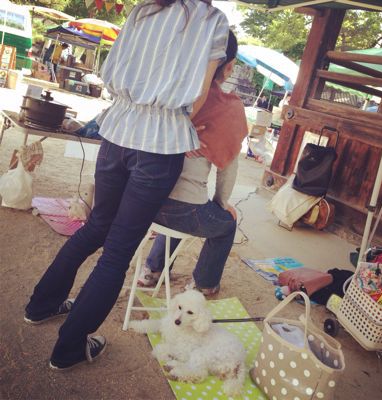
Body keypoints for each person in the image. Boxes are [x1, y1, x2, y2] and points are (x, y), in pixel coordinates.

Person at [24, 0, 229, 370]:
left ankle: (40, 306)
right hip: (160, 144)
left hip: (117, 132)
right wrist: (172, 120)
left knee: (96, 228)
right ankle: (69, 348)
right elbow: (199, 95)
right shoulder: (213, 20)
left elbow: (111, 69)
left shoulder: (143, 10)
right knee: (118, 252)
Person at [138, 30, 248, 295]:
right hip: (183, 210)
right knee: (223, 223)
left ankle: (152, 270)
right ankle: (205, 285)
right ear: (229, 67)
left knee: (180, 206)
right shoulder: (228, 107)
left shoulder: (169, 90)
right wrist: (222, 204)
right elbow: (228, 169)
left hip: (142, 200)